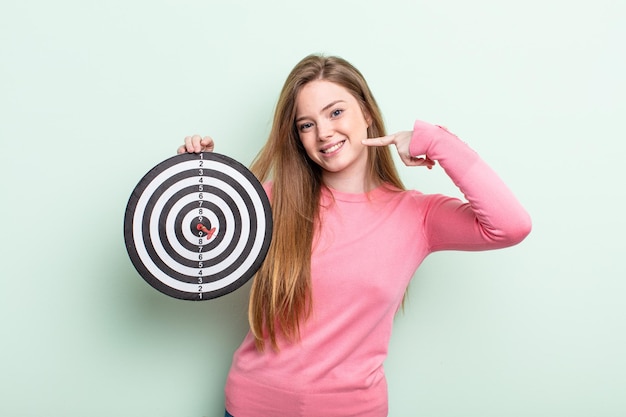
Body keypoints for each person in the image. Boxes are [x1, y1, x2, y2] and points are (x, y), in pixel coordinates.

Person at [178, 54, 532, 417]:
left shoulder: (418, 216)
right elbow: (191, 251)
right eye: (306, 125)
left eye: (335, 112)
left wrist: (437, 142)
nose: (324, 133)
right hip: (253, 405)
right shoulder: (269, 201)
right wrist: (196, 182)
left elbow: (511, 225)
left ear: (366, 112)